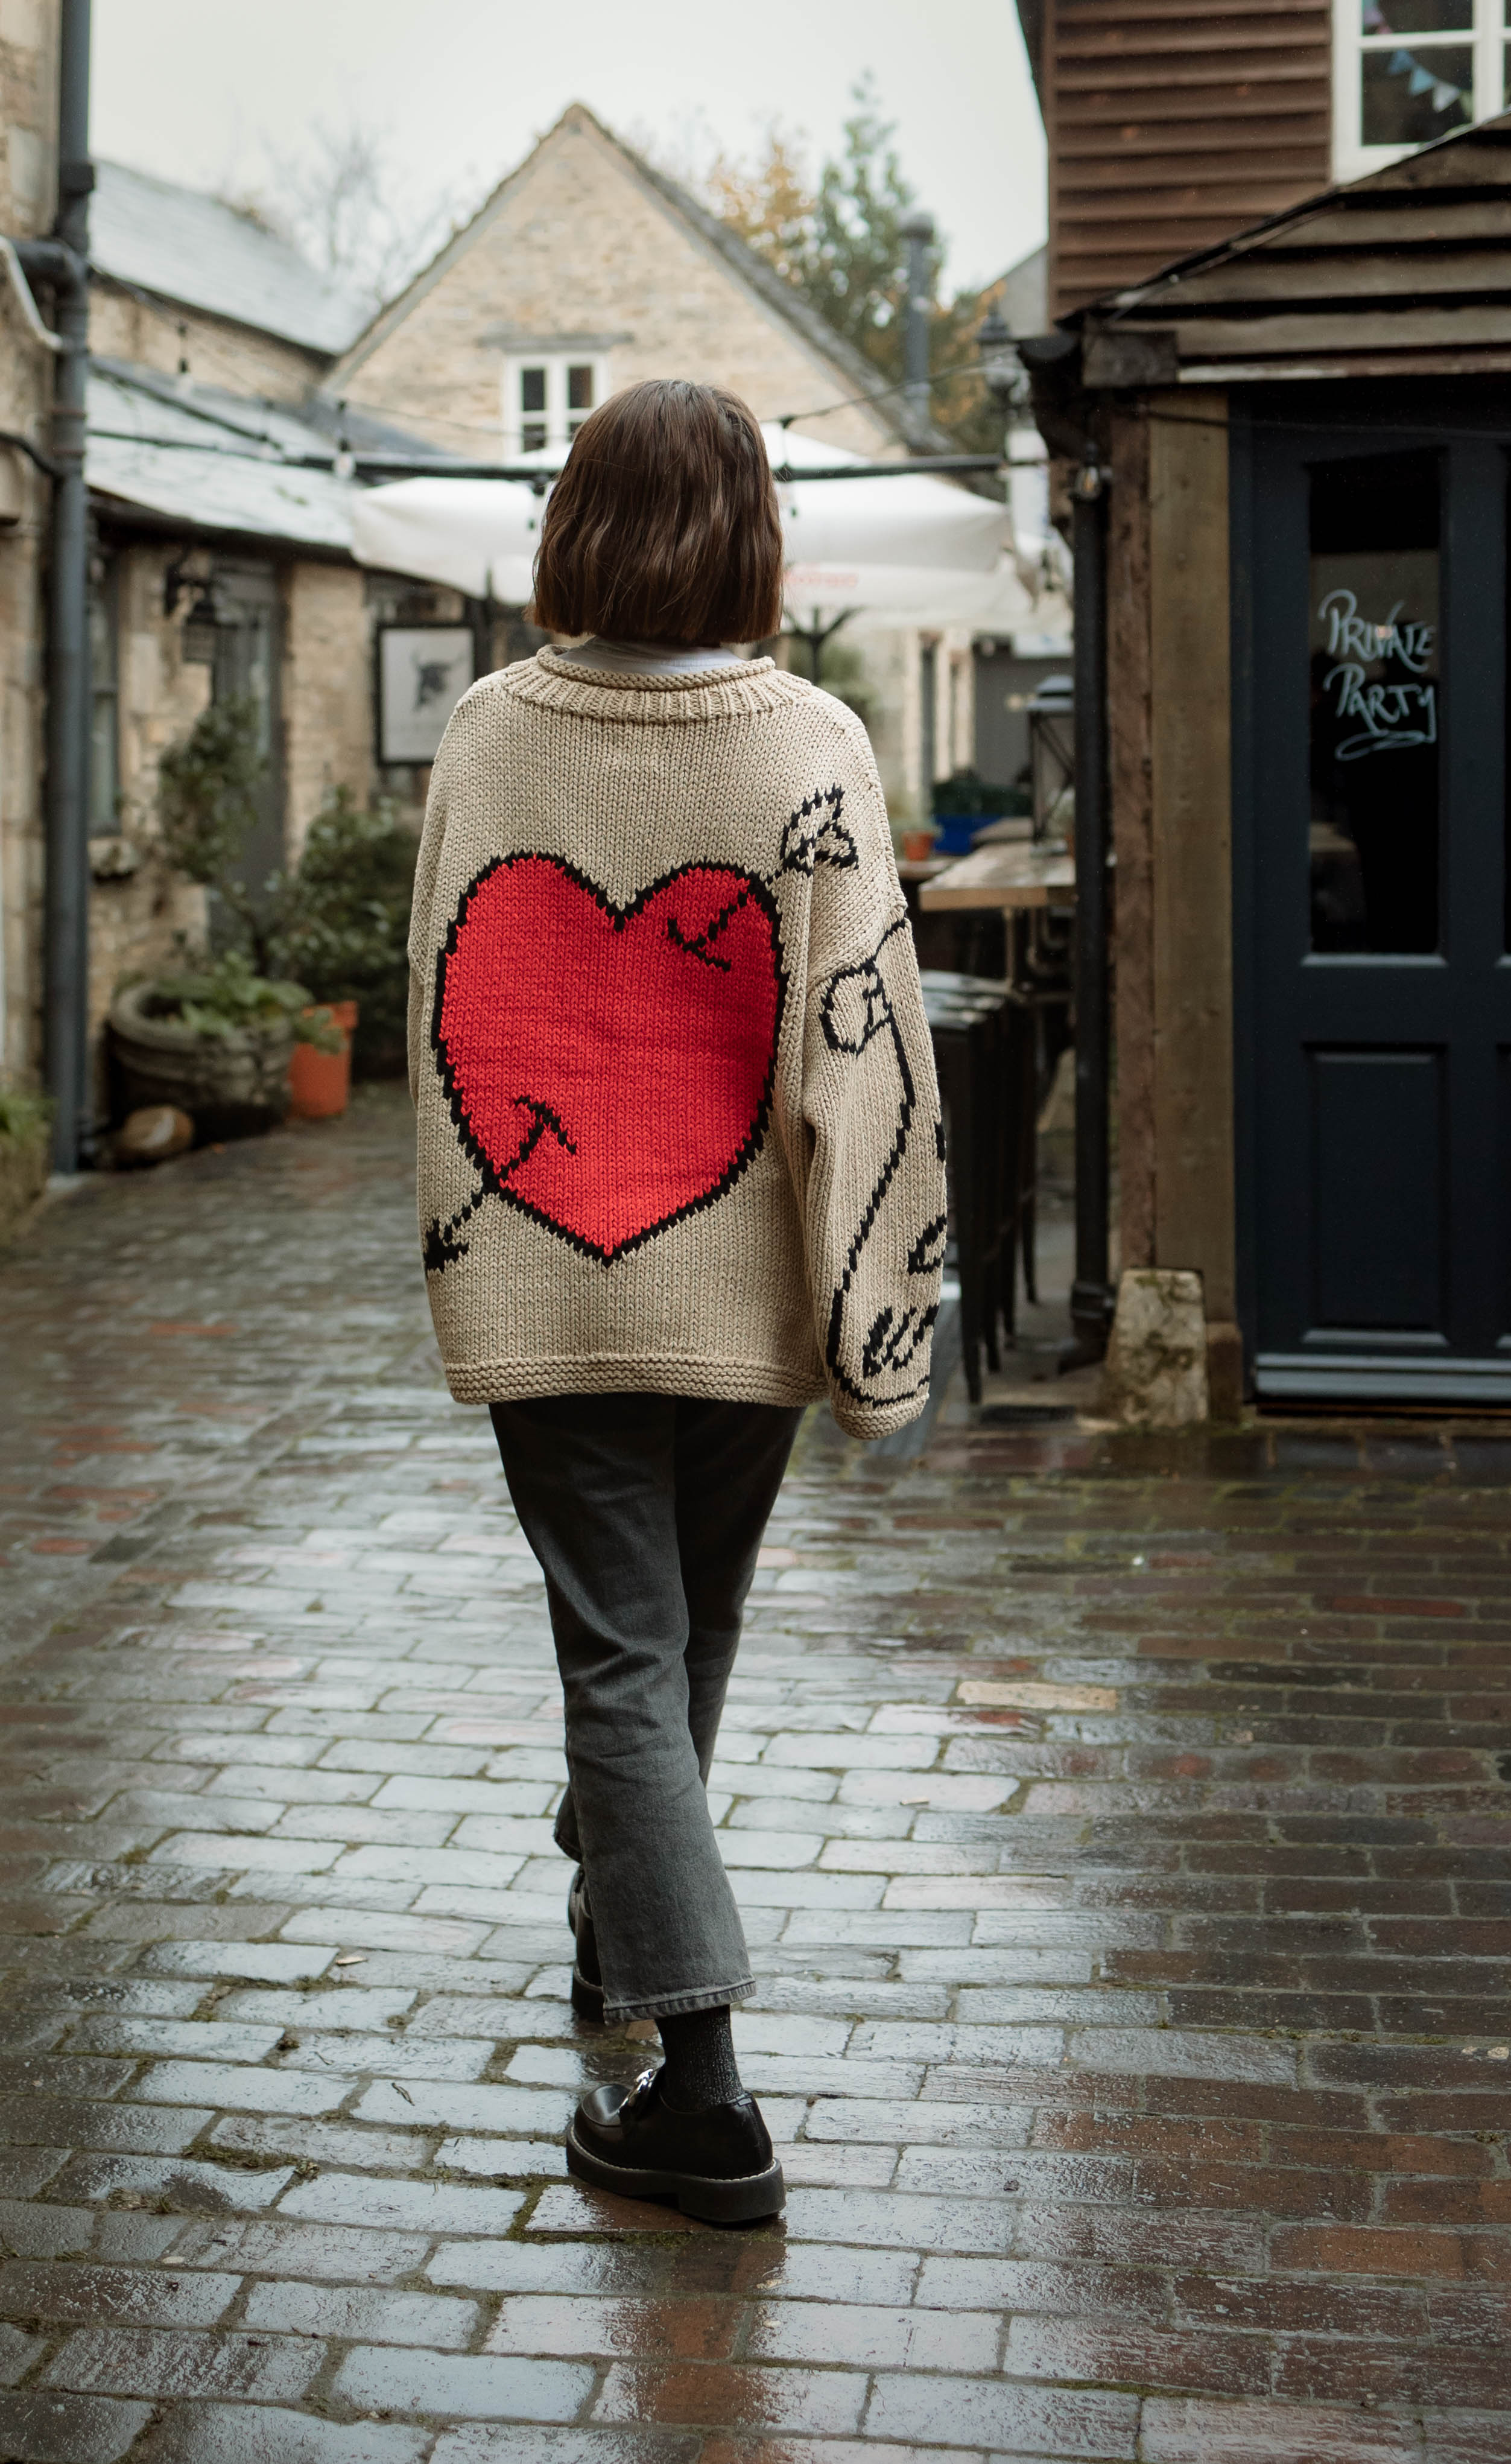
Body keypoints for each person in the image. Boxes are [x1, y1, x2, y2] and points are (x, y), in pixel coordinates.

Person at [407, 378, 945, 2224]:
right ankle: (621, 1936)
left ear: (575, 523)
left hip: (550, 1282)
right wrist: (877, 1317)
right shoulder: (812, 740)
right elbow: (865, 1057)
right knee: (673, 1646)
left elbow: (437, 1016)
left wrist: (460, 1260)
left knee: (626, 1663)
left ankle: (700, 2090)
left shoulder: (492, 733)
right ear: (753, 534)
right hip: (750, 1290)